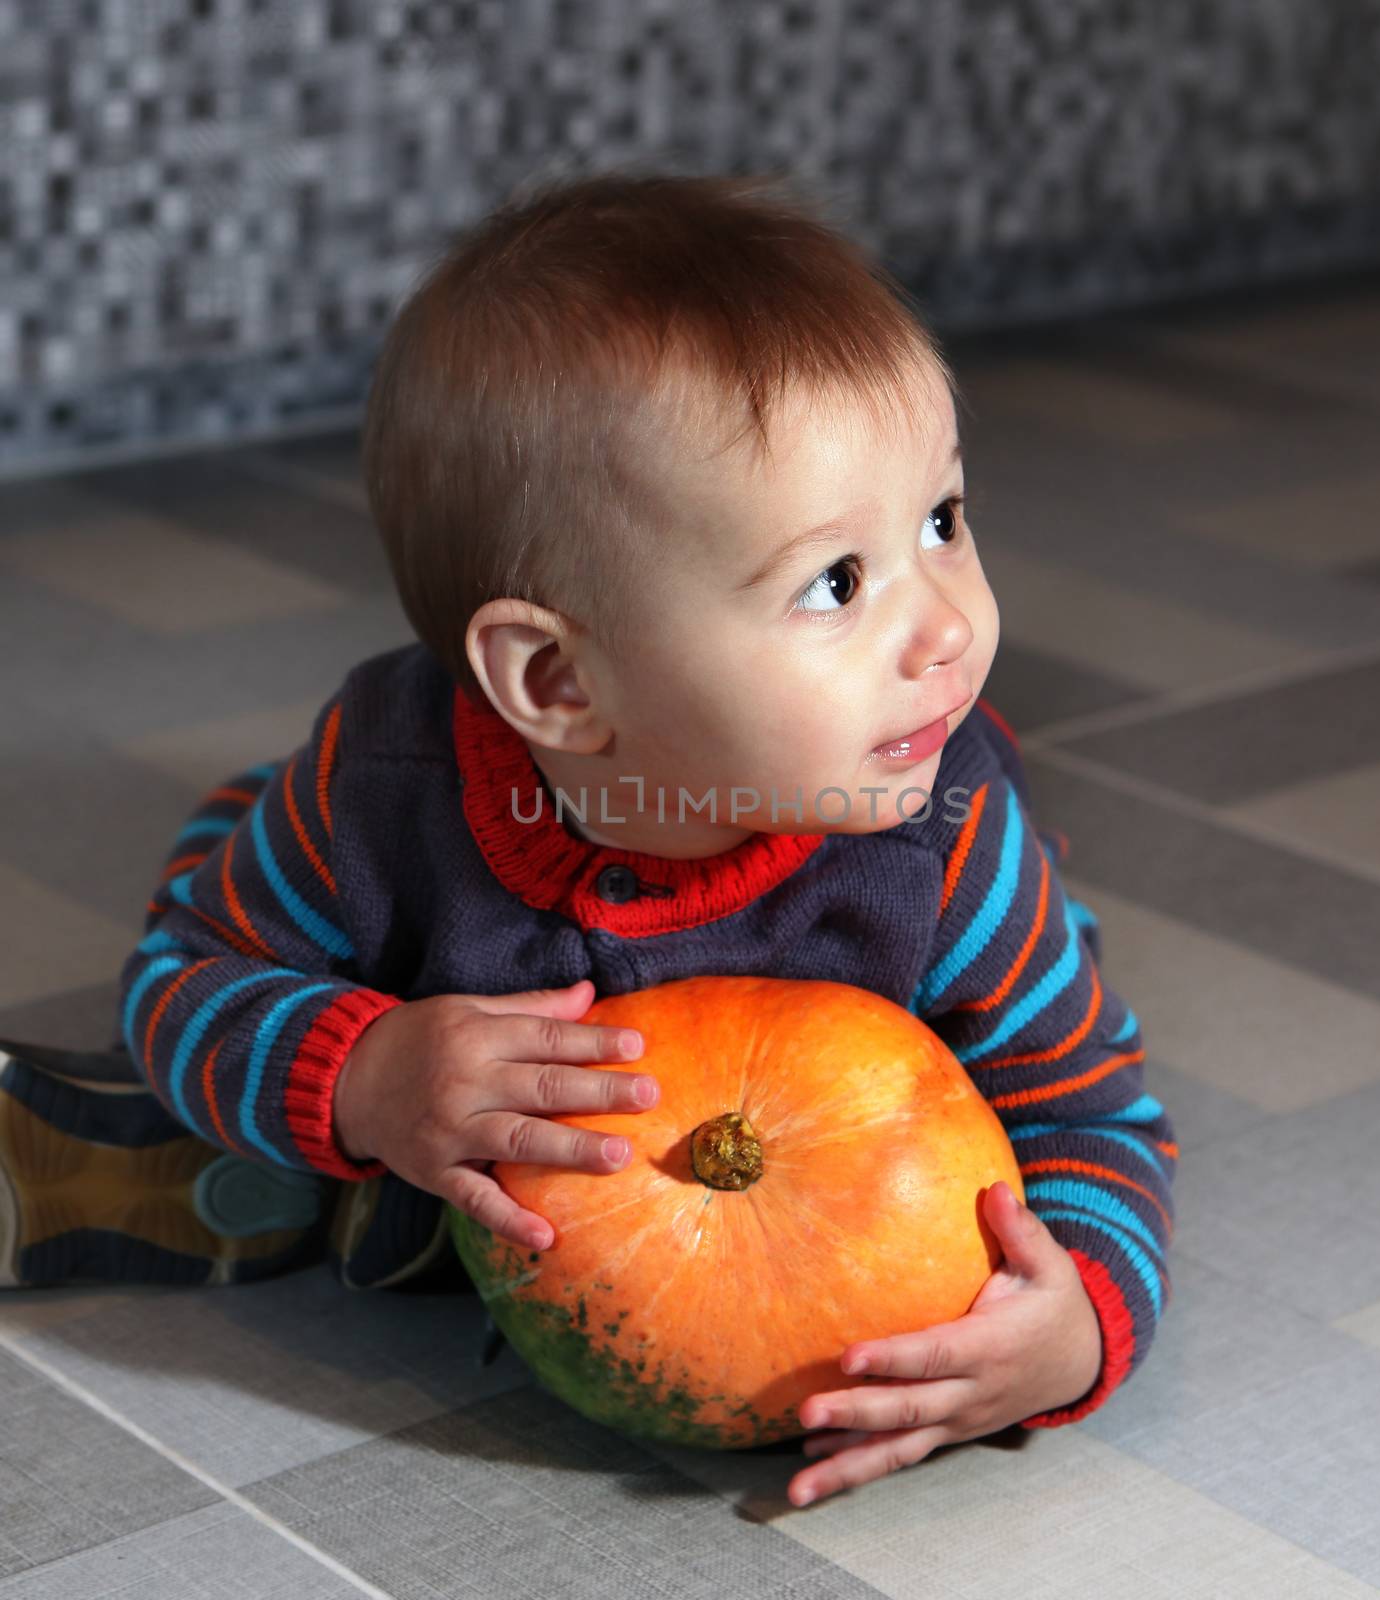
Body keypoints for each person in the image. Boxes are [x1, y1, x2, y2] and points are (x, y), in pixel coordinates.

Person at [0, 168, 1176, 1506]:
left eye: (943, 522)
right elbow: (182, 978)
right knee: (289, 980)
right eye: (836, 583)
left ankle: (375, 1207)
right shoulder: (383, 793)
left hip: (780, 1138)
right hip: (402, 946)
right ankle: (321, 1159)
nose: (949, 626)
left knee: (504, 1164)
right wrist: (368, 1074)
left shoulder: (950, 843)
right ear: (558, 685)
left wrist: (1074, 1322)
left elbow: (1090, 1110)